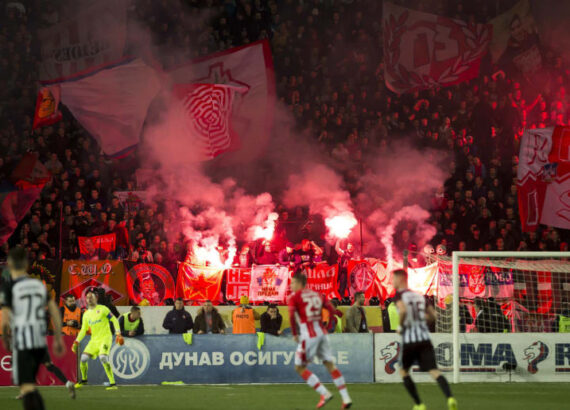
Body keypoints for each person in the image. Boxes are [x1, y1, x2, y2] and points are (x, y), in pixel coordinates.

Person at [0, 246, 70, 409]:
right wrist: (58, 338)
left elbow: (5, 318)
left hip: (23, 339)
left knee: (27, 386)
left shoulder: (10, 287)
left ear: (10, 263)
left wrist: (5, 336)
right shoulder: (39, 286)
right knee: (35, 378)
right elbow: (54, 311)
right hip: (39, 338)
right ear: (25, 264)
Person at [392, 269, 457, 410]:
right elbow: (434, 316)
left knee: (403, 371)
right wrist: (421, 321)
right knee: (434, 371)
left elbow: (402, 311)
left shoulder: (399, 295)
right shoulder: (419, 296)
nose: (392, 282)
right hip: (425, 338)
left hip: (410, 339)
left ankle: (419, 404)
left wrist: (401, 326)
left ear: (401, 279)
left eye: (393, 279)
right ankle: (450, 397)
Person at [288, 272, 352, 409]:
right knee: (330, 365)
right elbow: (332, 310)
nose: (291, 285)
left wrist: (294, 334)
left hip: (308, 335)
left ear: (300, 283)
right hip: (322, 333)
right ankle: (346, 398)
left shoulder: (294, 297)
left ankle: (325, 393)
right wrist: (329, 326)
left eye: (293, 282)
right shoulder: (318, 295)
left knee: (299, 367)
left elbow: (292, 317)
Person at [72, 287, 124, 390]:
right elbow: (83, 329)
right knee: (83, 358)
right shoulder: (86, 314)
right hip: (94, 340)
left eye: (91, 297)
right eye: (87, 297)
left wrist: (118, 333)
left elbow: (114, 320)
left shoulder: (103, 309)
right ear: (85, 300)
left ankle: (113, 384)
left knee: (103, 357)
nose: (89, 299)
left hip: (105, 337)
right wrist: (76, 341)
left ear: (96, 298)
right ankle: (84, 380)